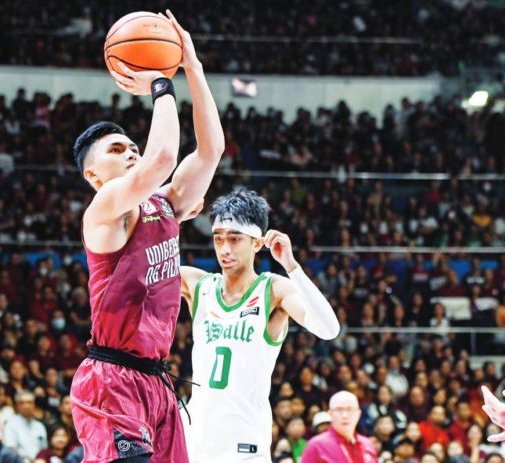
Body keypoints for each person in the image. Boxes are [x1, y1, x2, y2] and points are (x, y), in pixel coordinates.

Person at [70, 9, 224, 463]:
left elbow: (211, 150)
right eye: (118, 150)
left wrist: (191, 68)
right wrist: (160, 83)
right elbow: (161, 159)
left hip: (157, 381)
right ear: (95, 176)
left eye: (132, 146)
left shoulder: (164, 205)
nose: (132, 152)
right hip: (111, 378)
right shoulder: (103, 211)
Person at [179, 188, 339, 462]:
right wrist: (170, 221)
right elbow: (135, 278)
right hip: (197, 439)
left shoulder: (273, 289)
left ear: (256, 243)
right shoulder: (197, 284)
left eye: (235, 239)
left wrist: (291, 266)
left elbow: (328, 329)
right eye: (218, 239)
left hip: (246, 441)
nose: (225, 249)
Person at [300, 391, 377, 463]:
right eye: (339, 410)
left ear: (358, 414)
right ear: (330, 414)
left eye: (349, 409)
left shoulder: (368, 444)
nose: (345, 415)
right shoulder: (316, 445)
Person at [2, 390, 47, 461]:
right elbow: (10, 449)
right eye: (22, 403)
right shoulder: (10, 425)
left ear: (34, 405)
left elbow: (44, 450)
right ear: (16, 406)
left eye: (29, 402)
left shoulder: (39, 426)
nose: (26, 406)